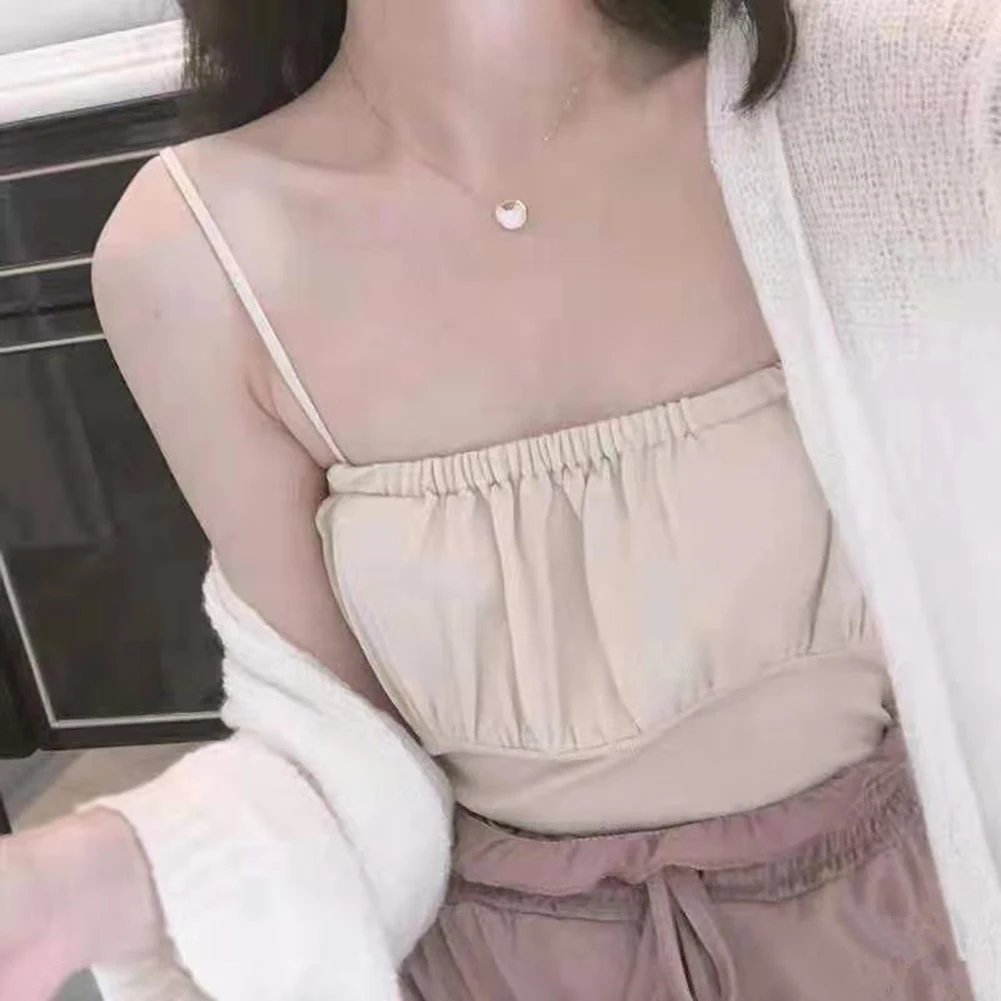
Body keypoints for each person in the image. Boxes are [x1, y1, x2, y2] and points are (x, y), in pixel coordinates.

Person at [1, 0, 1000, 998]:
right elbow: (343, 760)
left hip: (912, 940)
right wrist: (96, 874)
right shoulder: (191, 251)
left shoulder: (884, 91)